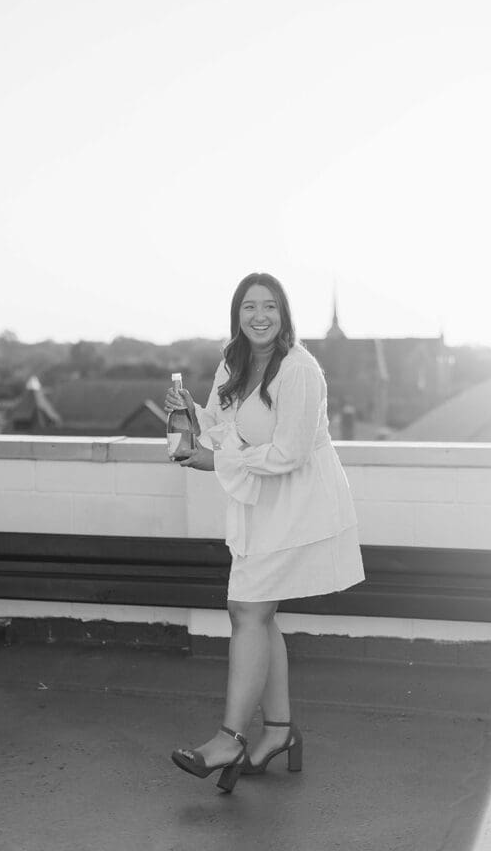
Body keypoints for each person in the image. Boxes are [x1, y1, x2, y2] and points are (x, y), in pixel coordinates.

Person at [165, 272, 365, 793]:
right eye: (249, 306)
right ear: (238, 314)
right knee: (257, 610)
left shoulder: (300, 370)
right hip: (261, 503)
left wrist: (215, 461)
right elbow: (222, 425)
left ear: (284, 314)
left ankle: (229, 738)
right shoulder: (233, 362)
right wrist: (189, 415)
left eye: (270, 306)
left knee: (248, 609)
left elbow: (290, 453)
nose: (260, 316)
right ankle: (277, 731)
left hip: (299, 502)